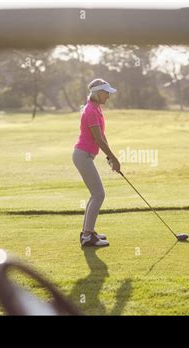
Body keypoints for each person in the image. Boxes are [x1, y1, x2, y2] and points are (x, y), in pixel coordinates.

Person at [73, 78, 121, 247]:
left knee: (96, 194)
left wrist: (109, 157)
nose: (108, 96)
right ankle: (87, 236)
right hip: (83, 156)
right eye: (106, 92)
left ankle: (89, 232)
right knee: (98, 194)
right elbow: (98, 139)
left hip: (86, 156)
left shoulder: (96, 109)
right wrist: (114, 158)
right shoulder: (91, 110)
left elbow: (102, 136)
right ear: (98, 93)